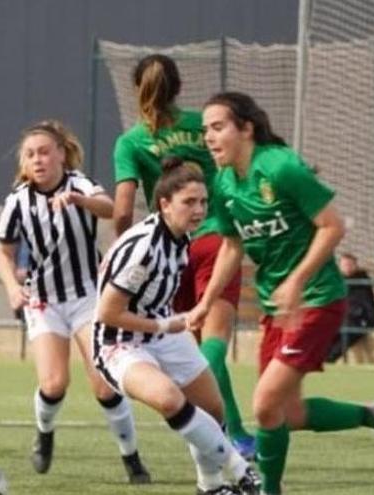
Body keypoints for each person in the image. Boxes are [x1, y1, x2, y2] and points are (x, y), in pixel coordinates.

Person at [190, 92, 374, 495]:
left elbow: (332, 226)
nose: (208, 136)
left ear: (246, 128)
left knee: (264, 403)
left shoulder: (281, 167)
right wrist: (205, 303)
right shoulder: (223, 183)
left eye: (218, 127)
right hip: (279, 307)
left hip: (317, 299)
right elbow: (232, 246)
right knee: (284, 413)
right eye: (205, 130)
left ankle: (268, 491)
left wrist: (298, 280)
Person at [111, 53, 255, 459]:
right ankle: (233, 437)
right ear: (178, 87)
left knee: (190, 350)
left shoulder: (131, 141)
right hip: (215, 239)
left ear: (136, 90)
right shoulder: (204, 126)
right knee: (212, 344)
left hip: (167, 250)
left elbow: (122, 211)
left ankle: (231, 435)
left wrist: (127, 251)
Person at [0, 120, 150, 484]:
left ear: (62, 155)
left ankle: (132, 460)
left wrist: (79, 201)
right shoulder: (18, 202)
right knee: (53, 384)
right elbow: (3, 253)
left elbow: (110, 209)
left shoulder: (79, 185)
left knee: (103, 384)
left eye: (45, 152)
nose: (38, 160)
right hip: (44, 301)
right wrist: (11, 288)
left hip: (88, 297)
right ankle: (44, 434)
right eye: (31, 154)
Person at [94, 156, 260, 495]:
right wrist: (166, 325)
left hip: (160, 332)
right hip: (120, 343)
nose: (199, 210)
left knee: (214, 410)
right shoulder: (144, 247)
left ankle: (209, 487)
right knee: (170, 399)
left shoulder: (182, 238)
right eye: (189, 202)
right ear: (165, 204)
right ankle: (240, 470)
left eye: (202, 202)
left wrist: (185, 316)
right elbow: (107, 313)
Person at [326, 252, 374, 362]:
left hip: (357, 320)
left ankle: (329, 359)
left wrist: (370, 321)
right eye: (345, 265)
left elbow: (368, 305)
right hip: (338, 318)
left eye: (350, 265)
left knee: (347, 331)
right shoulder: (334, 280)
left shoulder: (362, 282)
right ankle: (322, 358)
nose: (348, 268)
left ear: (356, 266)